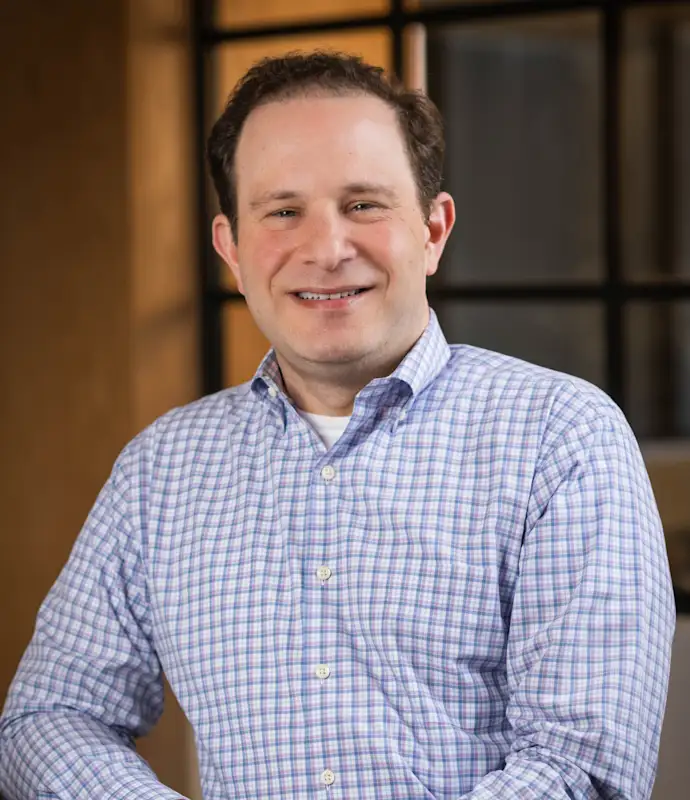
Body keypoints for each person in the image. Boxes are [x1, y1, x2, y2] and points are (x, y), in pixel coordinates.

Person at [0, 51, 675, 800]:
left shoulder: (562, 439)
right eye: (283, 211)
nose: (325, 250)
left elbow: (580, 767)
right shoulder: (160, 470)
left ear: (433, 228)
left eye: (363, 204)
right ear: (230, 247)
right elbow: (50, 716)